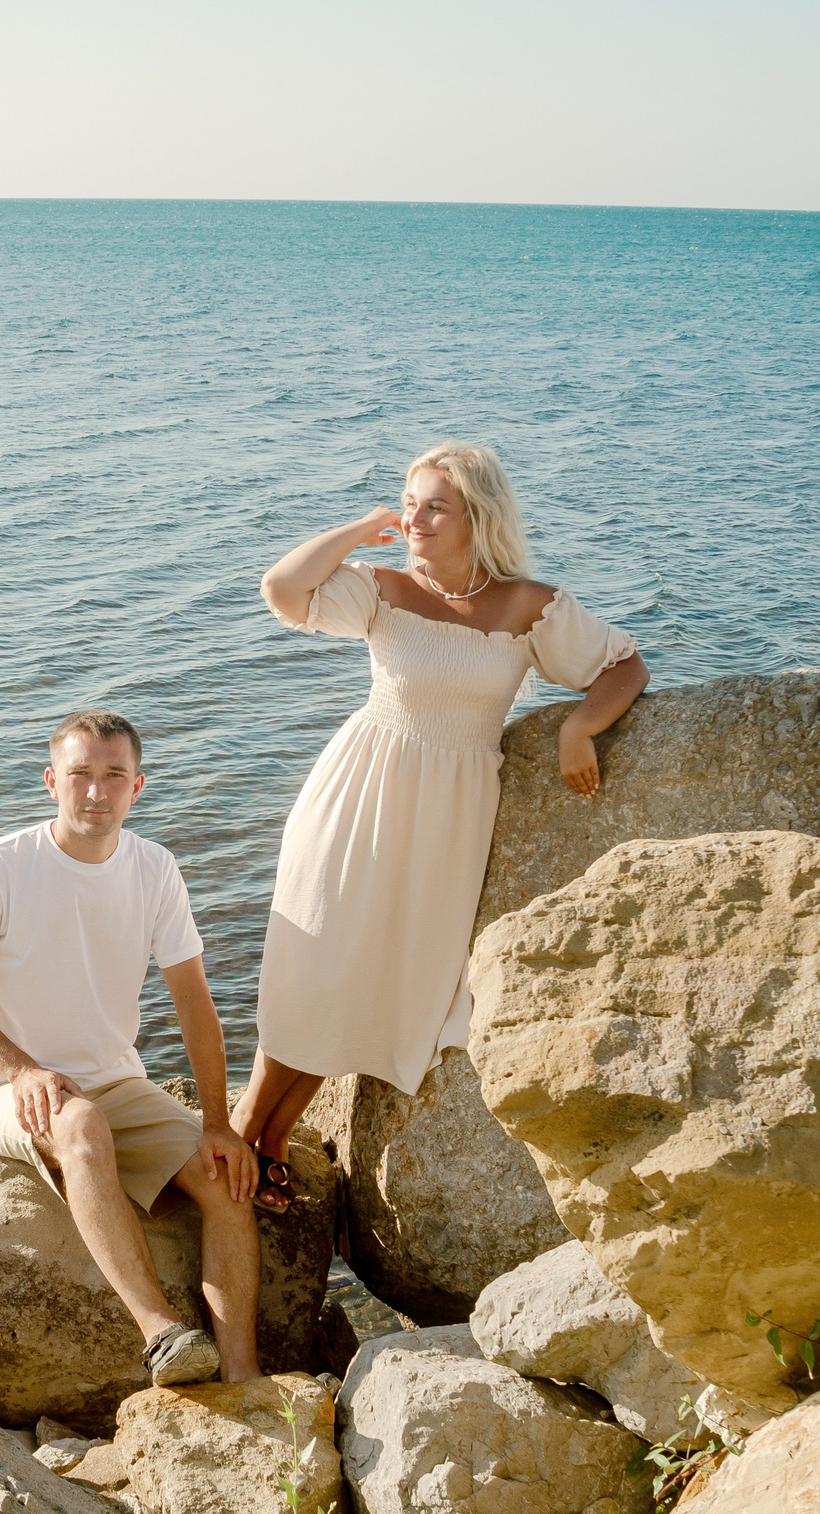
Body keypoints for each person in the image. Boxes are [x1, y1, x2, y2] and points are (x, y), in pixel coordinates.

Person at [232, 442, 649, 1210]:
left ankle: (272, 1139)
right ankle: (241, 1136)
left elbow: (623, 665)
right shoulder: (383, 588)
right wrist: (362, 529)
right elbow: (282, 590)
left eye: (435, 506)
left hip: (449, 818)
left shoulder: (531, 606)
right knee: (316, 963)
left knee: (375, 980)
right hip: (357, 798)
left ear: (476, 517)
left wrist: (577, 730)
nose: (416, 518)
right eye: (410, 501)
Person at [0, 708, 262, 1387]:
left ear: (139, 788)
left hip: (118, 1082)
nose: (96, 793)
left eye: (114, 777)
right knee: (78, 1124)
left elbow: (194, 1001)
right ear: (53, 781)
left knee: (229, 1182)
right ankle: (163, 1335)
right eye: (80, 775)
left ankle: (243, 1376)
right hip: (6, 1089)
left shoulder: (154, 869)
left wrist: (219, 1124)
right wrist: (20, 1071)